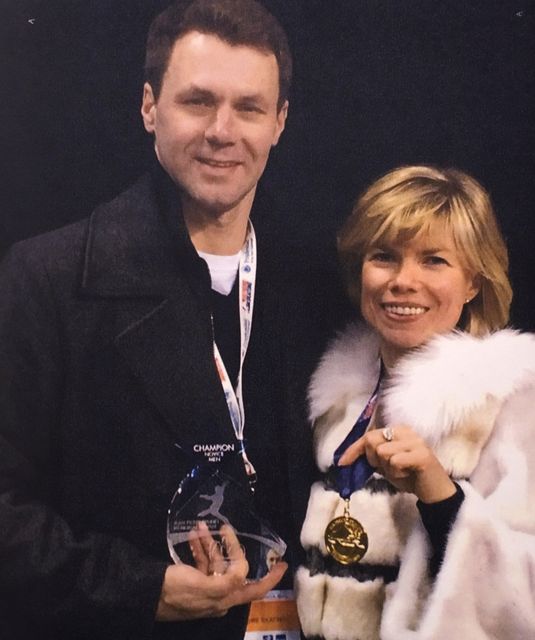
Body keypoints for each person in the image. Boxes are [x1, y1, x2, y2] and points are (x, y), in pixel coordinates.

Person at [0, 1, 337, 638]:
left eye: (249, 107)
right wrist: (140, 589)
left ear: (280, 123)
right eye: (197, 101)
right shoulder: (47, 280)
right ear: (149, 107)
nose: (222, 130)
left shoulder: (317, 289)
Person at [295, 165, 535, 640]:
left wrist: (441, 496)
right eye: (384, 256)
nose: (403, 281)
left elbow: (524, 605)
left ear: (474, 282)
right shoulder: (333, 400)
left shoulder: (515, 405)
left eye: (434, 261)